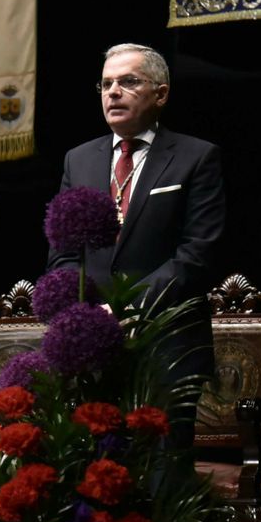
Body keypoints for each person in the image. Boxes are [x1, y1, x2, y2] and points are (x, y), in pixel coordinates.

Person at [48, 43, 227, 442]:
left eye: (128, 82)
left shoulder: (196, 157)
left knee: (161, 478)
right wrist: (87, 318)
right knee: (98, 481)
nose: (113, 92)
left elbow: (197, 254)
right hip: (93, 349)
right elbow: (62, 253)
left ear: (160, 93)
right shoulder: (78, 160)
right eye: (106, 83)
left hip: (167, 346)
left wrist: (125, 309)